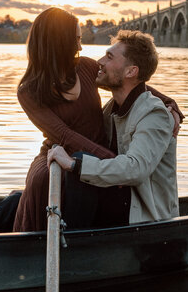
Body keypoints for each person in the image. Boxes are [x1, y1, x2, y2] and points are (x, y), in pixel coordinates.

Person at [0, 9, 182, 234]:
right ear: (59, 42)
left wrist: (169, 103)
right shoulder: (29, 91)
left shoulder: (86, 68)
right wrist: (109, 163)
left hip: (89, 163)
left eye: (108, 56)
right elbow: (64, 135)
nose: (81, 47)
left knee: (27, 198)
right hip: (63, 154)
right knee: (41, 186)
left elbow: (133, 82)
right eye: (76, 39)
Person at [48, 29, 179, 228]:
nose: (99, 61)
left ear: (130, 71)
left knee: (81, 160)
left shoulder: (154, 114)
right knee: (20, 201)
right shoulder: (111, 110)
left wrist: (75, 165)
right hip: (116, 203)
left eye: (109, 57)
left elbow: (136, 168)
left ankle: (73, 248)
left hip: (142, 217)